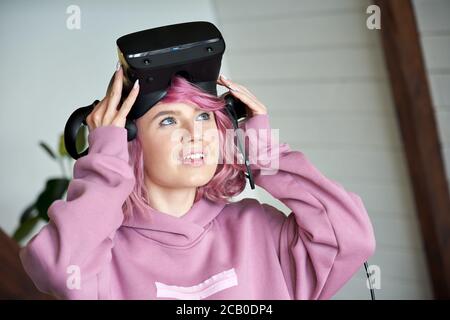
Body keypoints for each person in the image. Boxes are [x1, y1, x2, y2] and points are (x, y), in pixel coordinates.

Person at [19, 63, 376, 300]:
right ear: (128, 140)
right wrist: (103, 157)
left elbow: (350, 238)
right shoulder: (103, 254)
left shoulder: (257, 228)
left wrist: (265, 153)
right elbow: (61, 269)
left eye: (204, 116)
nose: (196, 133)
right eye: (168, 121)